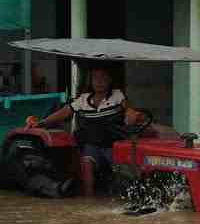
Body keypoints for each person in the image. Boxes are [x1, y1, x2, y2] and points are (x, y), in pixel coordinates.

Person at [27, 65, 146, 197]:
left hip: (113, 144)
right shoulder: (83, 99)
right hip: (92, 145)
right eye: (96, 78)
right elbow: (64, 112)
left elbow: (128, 107)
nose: (99, 82)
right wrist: (42, 123)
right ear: (91, 81)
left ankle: (123, 196)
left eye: (103, 78)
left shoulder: (117, 95)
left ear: (110, 80)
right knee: (86, 163)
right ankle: (88, 199)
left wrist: (130, 112)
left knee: (122, 170)